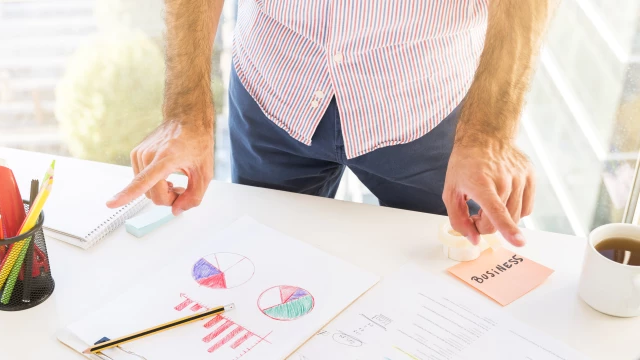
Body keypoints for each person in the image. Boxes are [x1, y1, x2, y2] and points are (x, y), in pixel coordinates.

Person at [108, 0, 555, 248]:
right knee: (262, 264)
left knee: (442, 273)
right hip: (274, 88)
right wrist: (186, 111)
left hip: (426, 104)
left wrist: (489, 134)